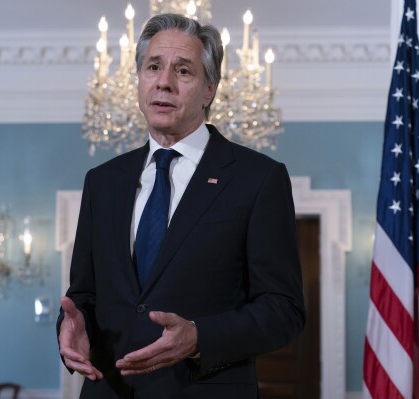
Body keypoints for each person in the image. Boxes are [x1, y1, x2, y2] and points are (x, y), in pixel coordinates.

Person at [57, 13, 305, 399]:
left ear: (209, 90)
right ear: (139, 78)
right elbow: (85, 295)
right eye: (153, 66)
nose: (164, 83)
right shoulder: (102, 182)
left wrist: (199, 337)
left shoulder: (258, 179)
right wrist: (73, 326)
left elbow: (284, 310)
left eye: (183, 71)